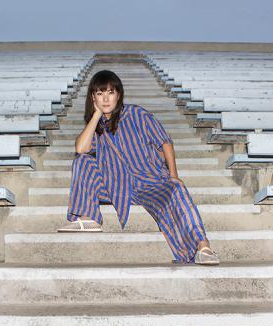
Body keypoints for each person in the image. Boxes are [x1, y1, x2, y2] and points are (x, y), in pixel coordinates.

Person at [57, 69, 219, 265]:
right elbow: (80, 149)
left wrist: (173, 175)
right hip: (116, 186)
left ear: (119, 95)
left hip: (150, 183)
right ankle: (88, 217)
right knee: (83, 161)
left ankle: (203, 246)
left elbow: (165, 142)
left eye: (110, 93)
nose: (106, 99)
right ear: (93, 97)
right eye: (100, 94)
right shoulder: (96, 127)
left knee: (177, 189)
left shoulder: (137, 114)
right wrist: (96, 114)